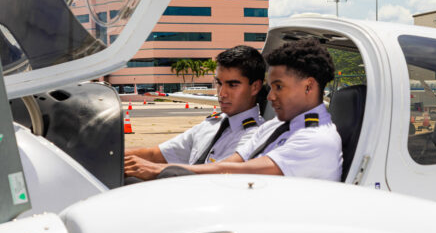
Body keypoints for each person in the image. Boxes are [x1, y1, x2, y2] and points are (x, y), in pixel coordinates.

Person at [124, 38, 343, 181]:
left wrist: (159, 170)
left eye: (278, 87)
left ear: (308, 86)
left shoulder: (316, 139)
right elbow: (229, 164)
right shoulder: (275, 126)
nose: (270, 96)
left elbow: (234, 173)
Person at [124, 45, 266, 181]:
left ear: (255, 87)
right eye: (219, 83)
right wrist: (111, 156)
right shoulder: (211, 124)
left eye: (232, 85)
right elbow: (154, 154)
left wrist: (157, 170)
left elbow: (221, 175)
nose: (222, 93)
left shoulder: (256, 135)